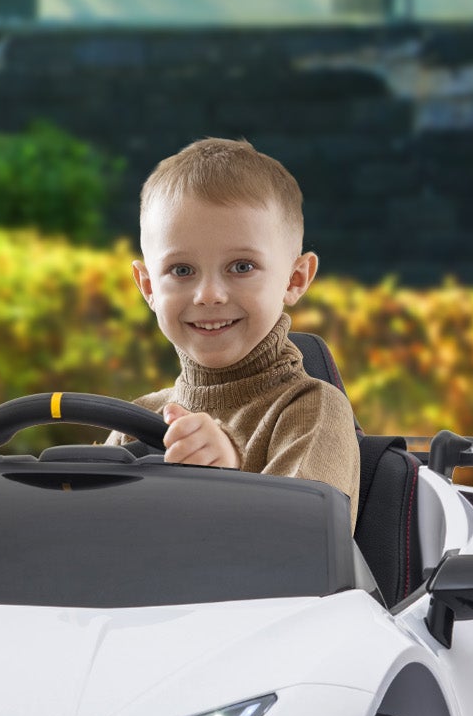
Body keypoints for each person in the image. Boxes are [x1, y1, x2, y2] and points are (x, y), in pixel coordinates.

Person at [104, 137, 360, 529]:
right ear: (149, 287)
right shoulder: (135, 421)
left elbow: (304, 546)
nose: (209, 295)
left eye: (241, 267)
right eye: (182, 270)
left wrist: (230, 475)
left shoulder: (311, 411)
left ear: (295, 279)